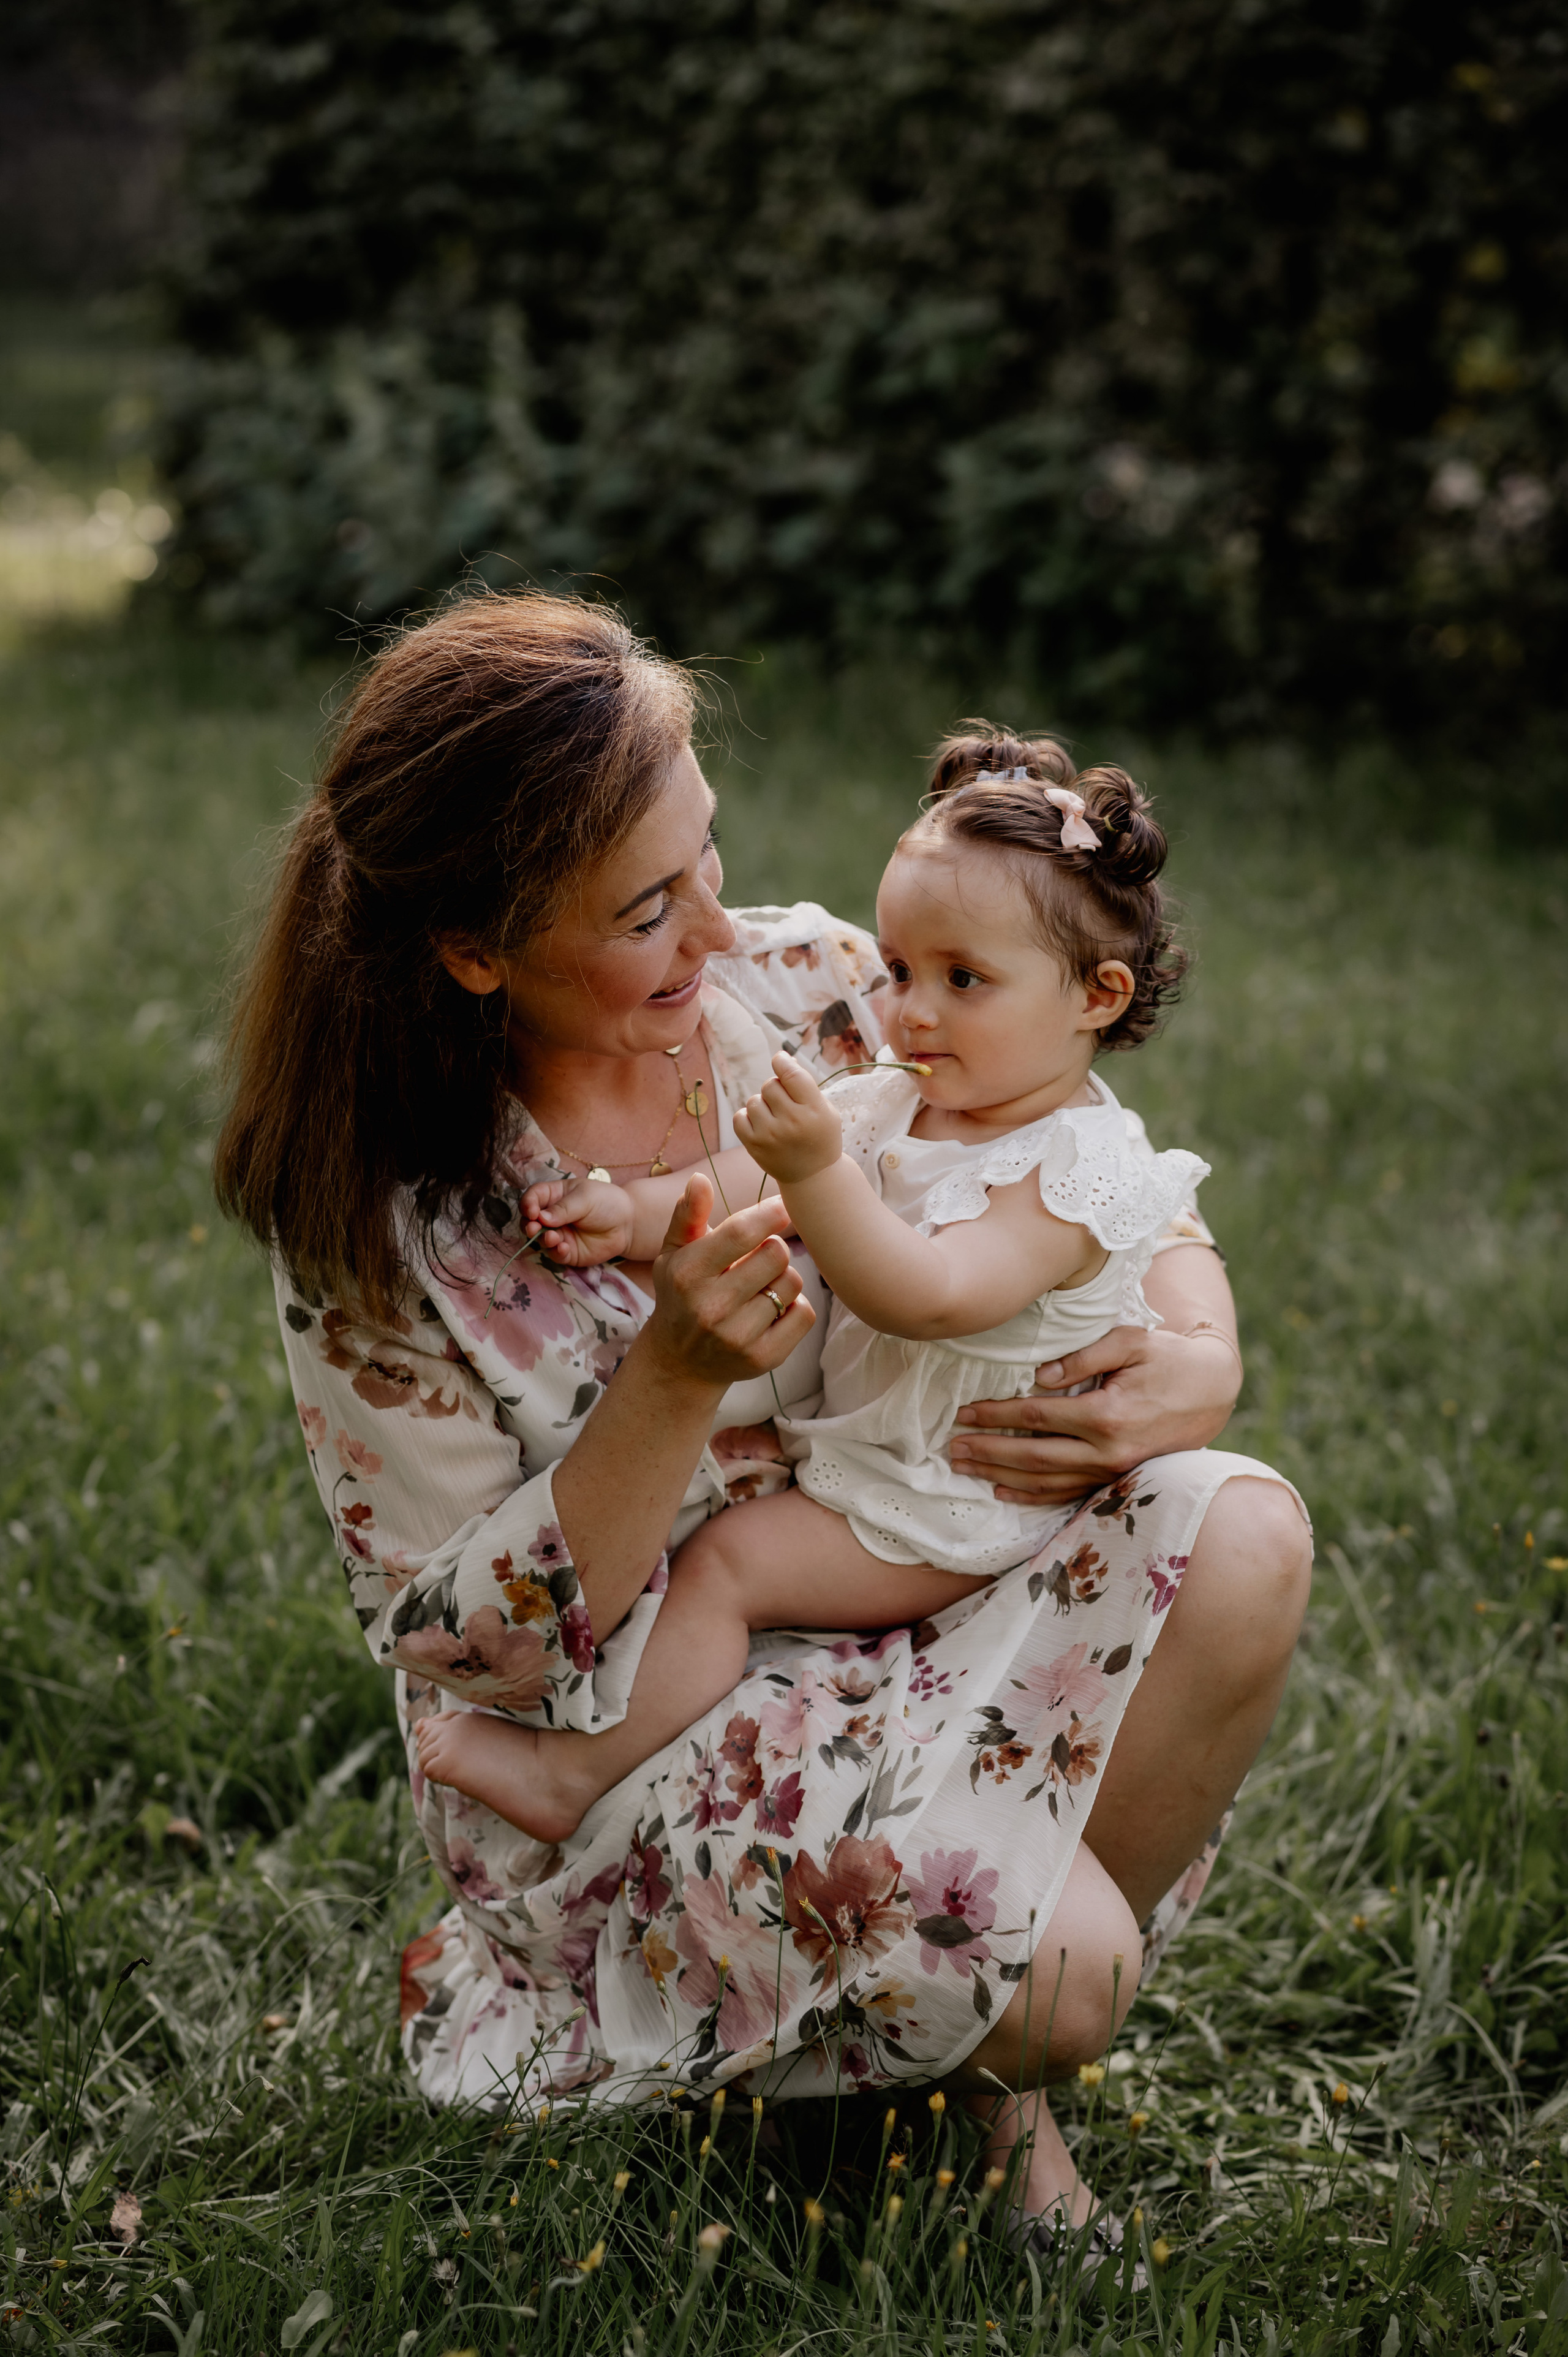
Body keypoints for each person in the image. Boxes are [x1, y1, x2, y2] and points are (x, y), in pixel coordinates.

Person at [217, 592, 1311, 2244]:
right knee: (1072, 1965)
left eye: (707, 859)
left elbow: (1074, 1145)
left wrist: (1198, 1341)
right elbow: (456, 1644)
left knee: (1240, 1529)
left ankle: (966, 2089)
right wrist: (668, 1380)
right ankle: (953, 2051)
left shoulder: (814, 986)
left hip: (909, 1559)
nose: (721, 937)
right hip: (620, 1729)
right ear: (475, 951)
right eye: (649, 912)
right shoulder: (388, 1229)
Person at [414, 747, 1216, 1873]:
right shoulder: (908, 1096)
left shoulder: (1072, 1163)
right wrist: (637, 1212)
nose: (912, 1012)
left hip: (958, 1498)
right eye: (897, 968)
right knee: (743, 1573)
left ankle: (570, 1776)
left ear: (1099, 996)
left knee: (732, 1571)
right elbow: (757, 1183)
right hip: (886, 1465)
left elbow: (930, 1294)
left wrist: (822, 1171)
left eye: (963, 980)